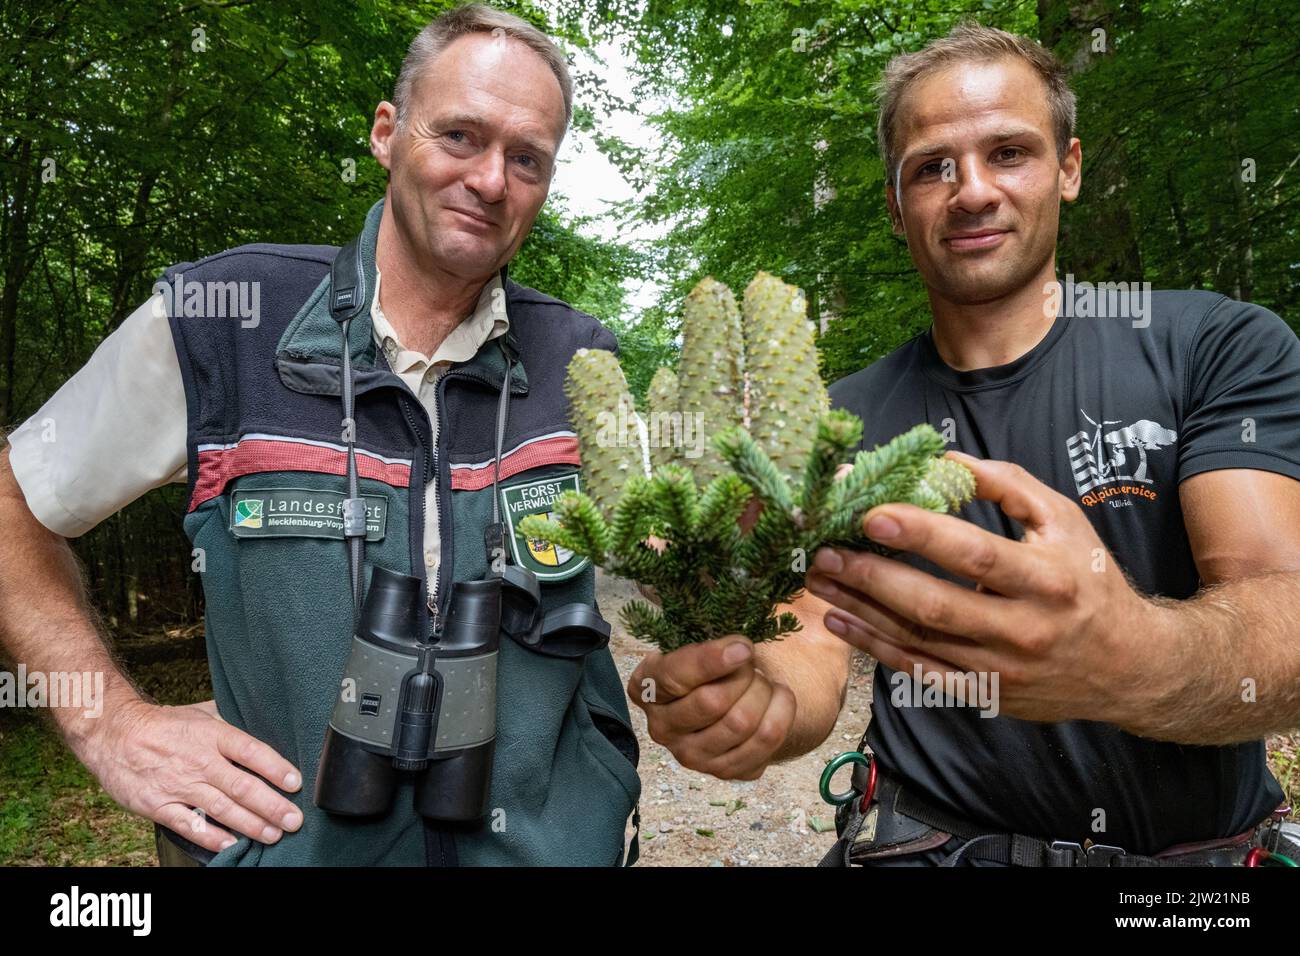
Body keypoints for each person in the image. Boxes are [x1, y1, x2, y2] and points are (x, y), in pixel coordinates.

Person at [629, 23, 1300, 867]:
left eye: (1009, 153)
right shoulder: (839, 421)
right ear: (894, 203)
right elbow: (810, 638)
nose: (972, 190)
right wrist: (755, 704)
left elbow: (1284, 608)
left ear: (1071, 167)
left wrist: (1128, 658)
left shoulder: (1214, 344)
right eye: (931, 167)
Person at [0, 4, 641, 867]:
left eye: (526, 157)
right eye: (458, 135)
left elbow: (673, 567)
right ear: (387, 134)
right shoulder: (224, 319)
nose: (491, 180)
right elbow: (14, 500)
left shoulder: (580, 359)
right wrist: (108, 721)